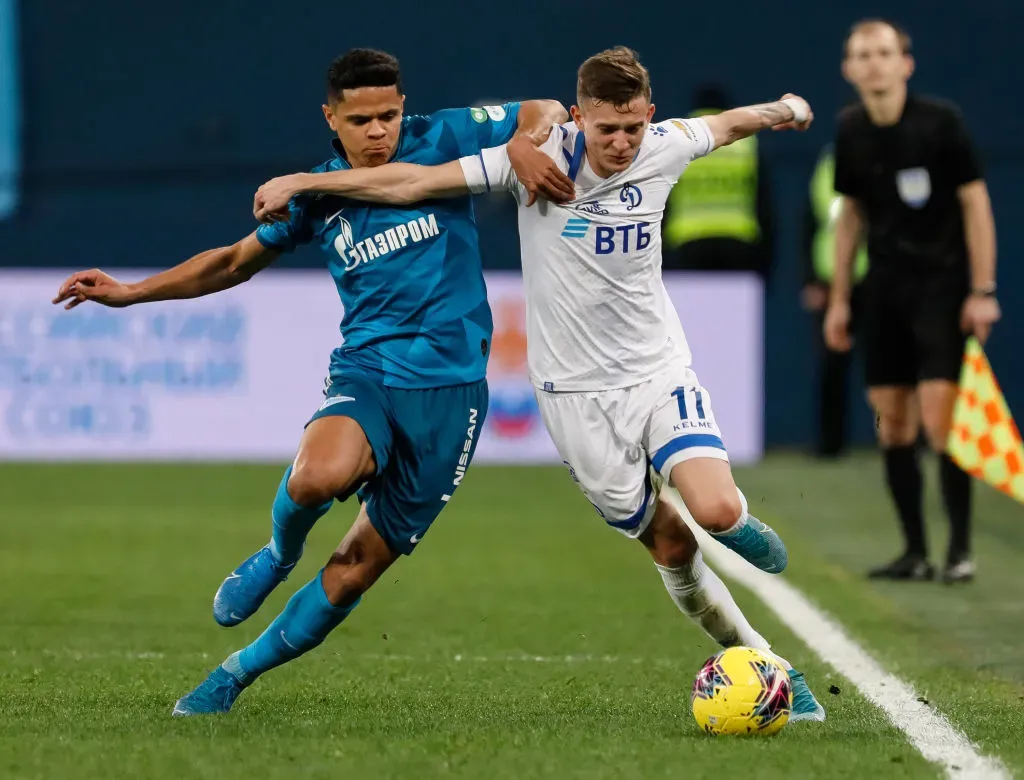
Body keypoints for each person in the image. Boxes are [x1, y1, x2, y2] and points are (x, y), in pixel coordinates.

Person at [255, 46, 826, 721]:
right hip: (572, 398)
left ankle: (740, 531)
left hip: (655, 370)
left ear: (651, 116)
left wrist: (786, 110)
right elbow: (408, 183)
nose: (620, 144)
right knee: (670, 544)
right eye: (605, 129)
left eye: (633, 129)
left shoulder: (666, 146)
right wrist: (303, 182)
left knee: (717, 512)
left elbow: (728, 124)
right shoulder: (536, 160)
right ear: (579, 117)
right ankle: (770, 663)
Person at [51, 48, 573, 716]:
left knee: (354, 569)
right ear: (332, 117)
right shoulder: (316, 191)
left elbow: (545, 110)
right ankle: (278, 551)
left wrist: (527, 143)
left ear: (403, 107)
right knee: (315, 478)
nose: (379, 131)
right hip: (372, 370)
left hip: (453, 395)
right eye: (362, 120)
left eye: (388, 114)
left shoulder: (442, 137)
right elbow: (234, 262)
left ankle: (232, 676)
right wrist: (130, 293)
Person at [823, 20, 1000, 583]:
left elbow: (975, 204)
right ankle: (916, 552)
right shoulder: (850, 130)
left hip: (942, 288)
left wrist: (982, 290)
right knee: (893, 424)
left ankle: (960, 551)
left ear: (906, 63)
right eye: (861, 55)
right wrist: (839, 299)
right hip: (884, 292)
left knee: (940, 419)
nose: (873, 64)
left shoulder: (940, 123)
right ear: (848, 70)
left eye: (883, 52)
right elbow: (851, 217)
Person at [661, 84, 774, 281]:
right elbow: (764, 204)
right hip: (738, 245)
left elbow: (660, 200)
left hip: (687, 244)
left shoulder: (679, 141)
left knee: (689, 311)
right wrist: (766, 262)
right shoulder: (746, 145)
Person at [800, 144, 869, 457]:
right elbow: (810, 222)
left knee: (891, 366)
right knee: (831, 368)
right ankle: (830, 445)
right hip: (831, 281)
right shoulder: (828, 165)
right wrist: (811, 280)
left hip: (876, 280)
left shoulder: (886, 158)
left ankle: (905, 442)